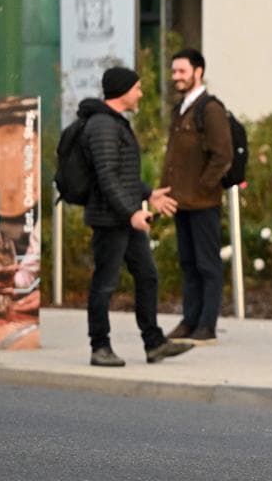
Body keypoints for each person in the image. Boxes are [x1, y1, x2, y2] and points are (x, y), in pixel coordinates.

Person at [80, 67, 191, 367]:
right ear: (123, 90)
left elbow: (123, 174)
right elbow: (106, 176)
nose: (141, 93)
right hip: (110, 219)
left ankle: (154, 343)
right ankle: (99, 347)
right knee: (105, 283)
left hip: (125, 217)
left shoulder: (116, 123)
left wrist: (148, 193)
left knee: (148, 275)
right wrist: (131, 212)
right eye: (137, 88)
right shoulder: (103, 126)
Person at [161, 49, 234, 346]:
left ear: (198, 71)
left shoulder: (210, 109)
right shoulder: (181, 109)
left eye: (182, 71)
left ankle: (207, 325)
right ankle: (189, 320)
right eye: (174, 71)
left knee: (207, 264)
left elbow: (223, 155)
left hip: (203, 202)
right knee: (188, 263)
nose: (176, 77)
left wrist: (204, 187)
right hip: (181, 201)